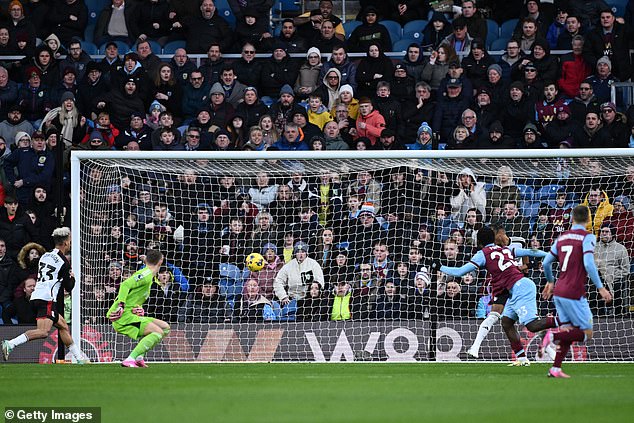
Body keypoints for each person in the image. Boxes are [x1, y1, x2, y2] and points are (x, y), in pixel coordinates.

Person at [439, 226, 556, 365]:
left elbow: (459, 272)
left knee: (532, 325)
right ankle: (522, 358)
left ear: (479, 242)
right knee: (506, 322)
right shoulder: (506, 249)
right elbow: (531, 251)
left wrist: (439, 266)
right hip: (518, 287)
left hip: (520, 287)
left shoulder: (482, 253)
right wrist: (549, 254)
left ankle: (568, 320)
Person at [541, 205, 613, 378]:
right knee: (587, 333)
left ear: (571, 218)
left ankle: (555, 368)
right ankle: (551, 335)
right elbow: (588, 263)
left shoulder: (562, 237)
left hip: (559, 290)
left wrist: (551, 282)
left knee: (569, 331)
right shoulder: (587, 237)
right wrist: (601, 287)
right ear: (588, 220)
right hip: (574, 292)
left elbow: (545, 263)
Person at [2, 227, 89, 363]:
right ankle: (11, 344)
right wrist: (72, 277)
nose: (70, 244)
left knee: (63, 326)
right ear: (66, 243)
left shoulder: (45, 255)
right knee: (43, 332)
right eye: (70, 241)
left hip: (38, 295)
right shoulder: (63, 262)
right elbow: (68, 287)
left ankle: (79, 359)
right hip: (46, 299)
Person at [107, 249, 169, 368]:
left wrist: (139, 307)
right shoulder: (145, 274)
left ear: (145, 260)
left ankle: (139, 356)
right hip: (123, 316)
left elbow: (134, 295)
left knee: (165, 328)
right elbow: (125, 284)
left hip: (130, 314)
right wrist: (121, 305)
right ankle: (130, 359)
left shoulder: (150, 276)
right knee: (158, 332)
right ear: (161, 261)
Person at [273, 241, 325, 310]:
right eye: (298, 252)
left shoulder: (313, 264)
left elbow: (320, 281)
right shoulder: (288, 266)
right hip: (292, 300)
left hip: (309, 300)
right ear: (295, 253)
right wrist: (283, 296)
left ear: (306, 252)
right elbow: (278, 281)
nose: (301, 254)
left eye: (303, 252)